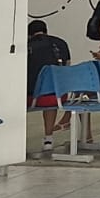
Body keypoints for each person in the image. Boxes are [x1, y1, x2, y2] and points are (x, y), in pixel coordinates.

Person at [26, 18, 71, 153]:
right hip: (58, 97)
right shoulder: (61, 43)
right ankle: (48, 138)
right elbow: (66, 68)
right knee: (51, 91)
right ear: (46, 31)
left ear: (29, 34)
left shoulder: (27, 46)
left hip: (31, 98)